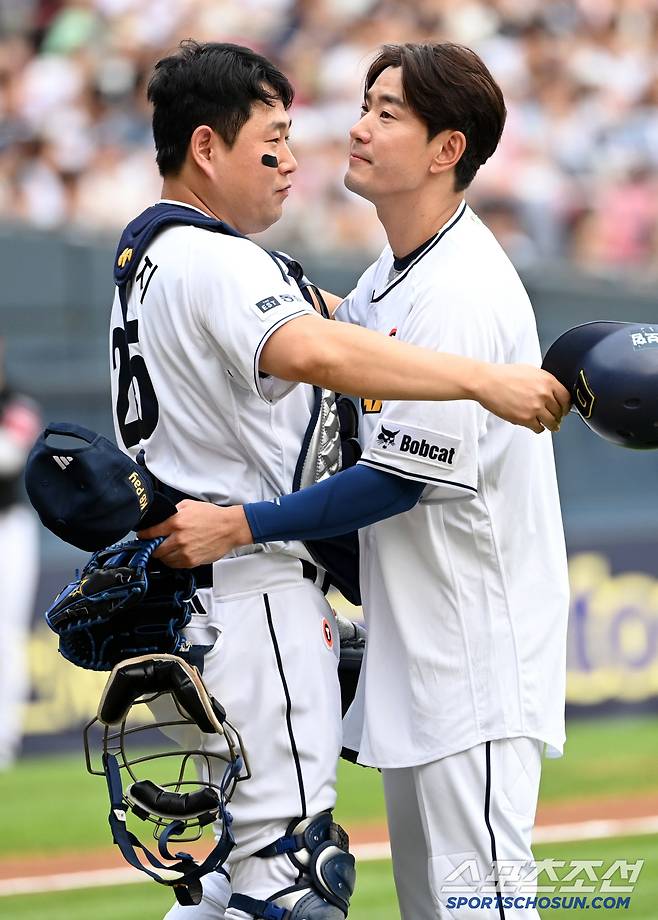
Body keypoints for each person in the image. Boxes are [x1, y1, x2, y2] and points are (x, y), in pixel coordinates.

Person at [141, 42, 570, 920]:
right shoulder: (389, 278)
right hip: (426, 651)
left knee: (481, 910)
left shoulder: (460, 288)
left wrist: (244, 526)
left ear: (447, 150)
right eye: (366, 105)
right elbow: (339, 350)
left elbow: (394, 484)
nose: (359, 127)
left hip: (476, 660)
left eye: (387, 112)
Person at [0, 338, 41, 770]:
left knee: (4, 636)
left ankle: (3, 741)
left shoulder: (18, 403)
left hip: (7, 529)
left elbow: (8, 456)